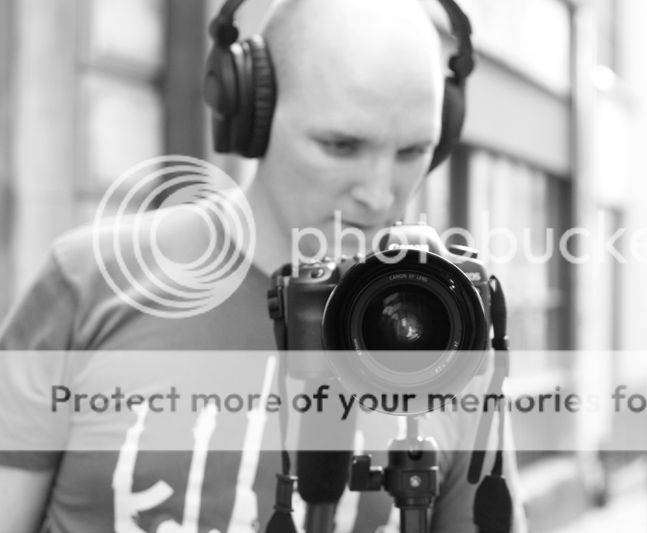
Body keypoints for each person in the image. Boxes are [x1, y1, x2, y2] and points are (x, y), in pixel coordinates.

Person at [0, 0, 527, 531]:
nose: (377, 193)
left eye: (412, 152)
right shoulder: (90, 280)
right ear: (252, 115)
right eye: (341, 146)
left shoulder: (452, 331)